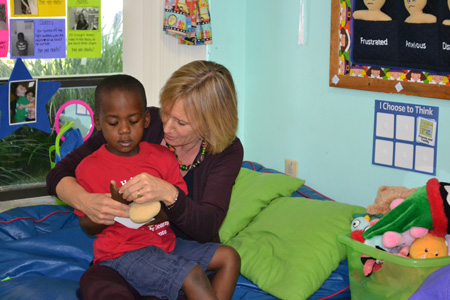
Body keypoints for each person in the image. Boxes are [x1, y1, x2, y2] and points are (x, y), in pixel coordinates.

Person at [46, 60, 244, 299]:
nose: (167, 127)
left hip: (176, 246)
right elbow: (59, 174)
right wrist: (88, 202)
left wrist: (168, 194)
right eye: (166, 112)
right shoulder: (136, 122)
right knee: (98, 280)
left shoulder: (226, 150)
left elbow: (207, 227)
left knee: (220, 262)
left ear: (211, 124)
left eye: (181, 123)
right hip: (131, 249)